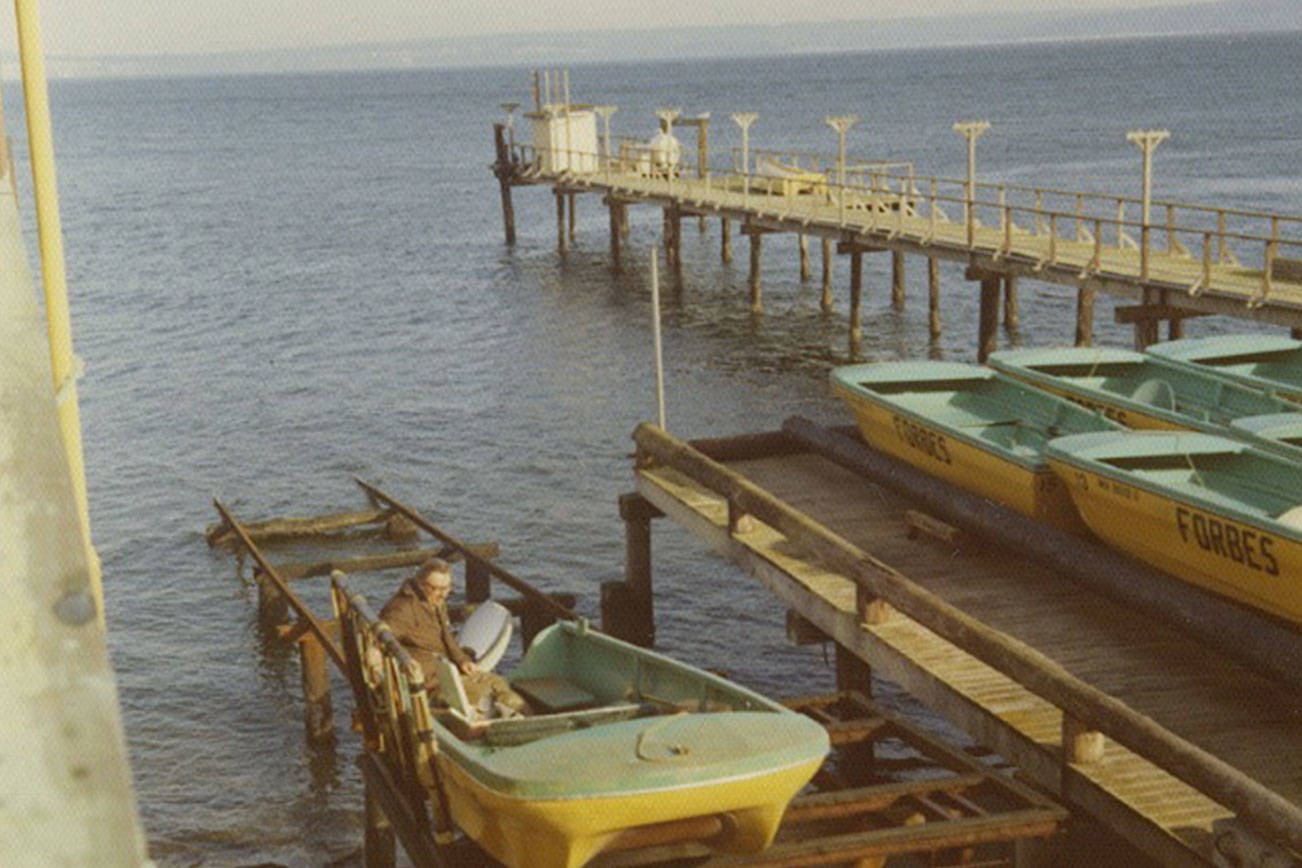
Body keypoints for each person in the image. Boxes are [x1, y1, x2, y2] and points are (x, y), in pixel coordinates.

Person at [379, 558, 527, 715]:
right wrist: (375, 658)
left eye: (447, 588)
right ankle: (503, 723)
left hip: (449, 671)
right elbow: (382, 637)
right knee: (484, 694)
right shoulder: (401, 609)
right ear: (421, 585)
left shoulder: (435, 601)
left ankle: (521, 718)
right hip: (432, 684)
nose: (443, 594)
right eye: (437, 589)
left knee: (499, 684)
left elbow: (446, 636)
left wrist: (462, 660)